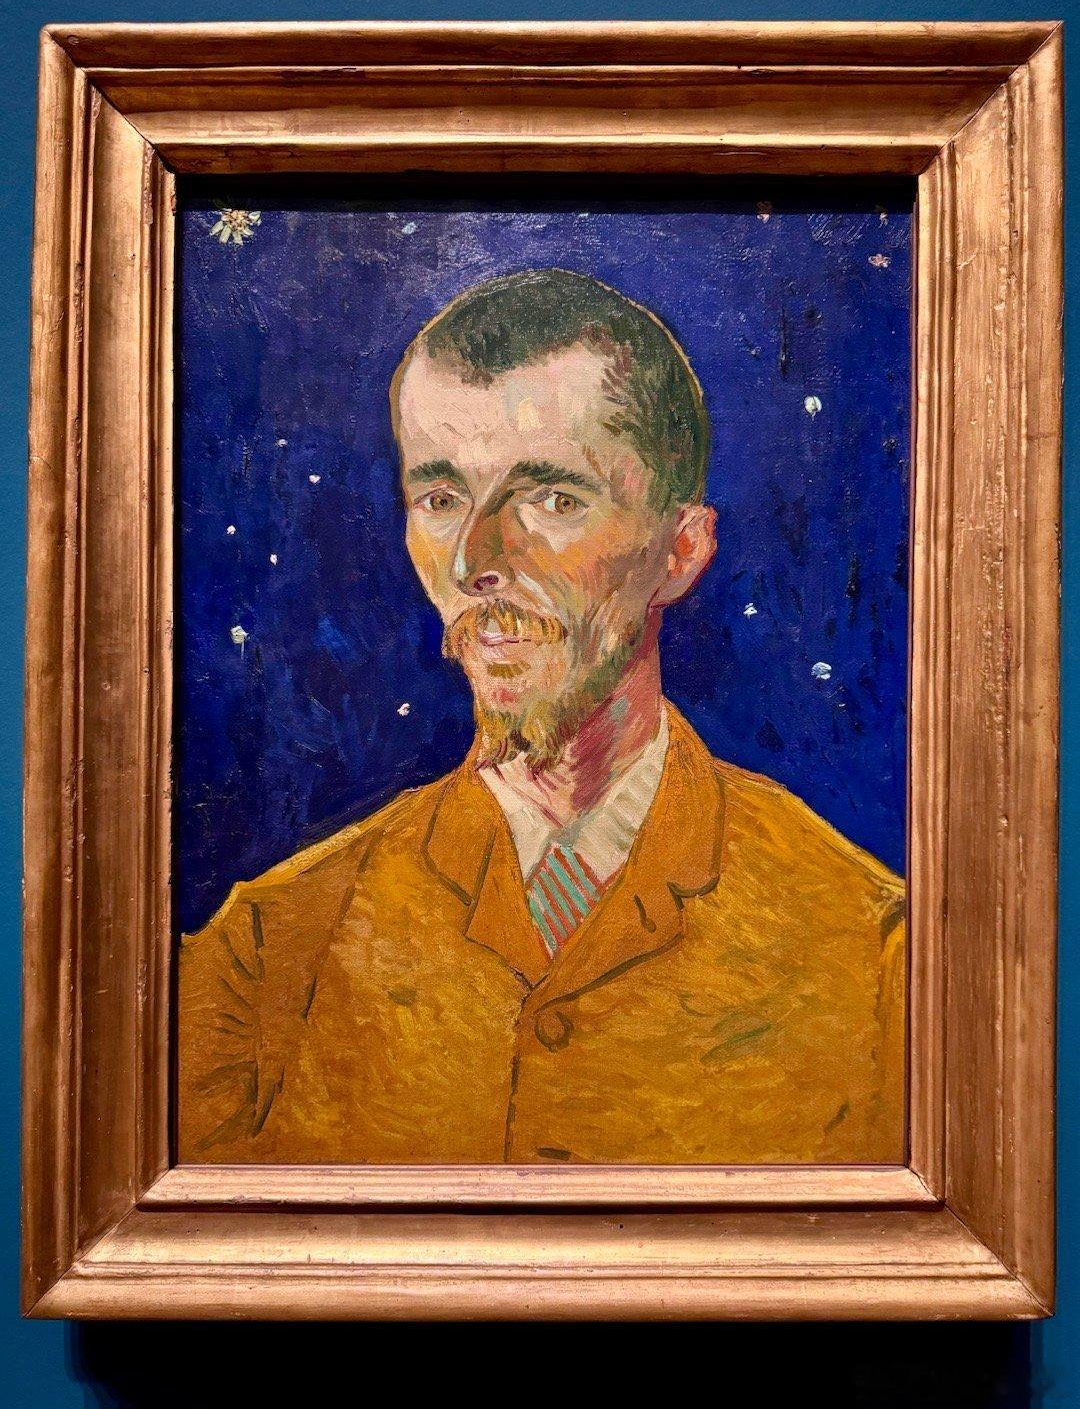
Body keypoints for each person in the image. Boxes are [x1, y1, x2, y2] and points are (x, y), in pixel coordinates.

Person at [179, 268, 905, 1165]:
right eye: (442, 499)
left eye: (553, 500)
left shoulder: (868, 947)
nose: (475, 561)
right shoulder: (270, 948)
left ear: (681, 551)